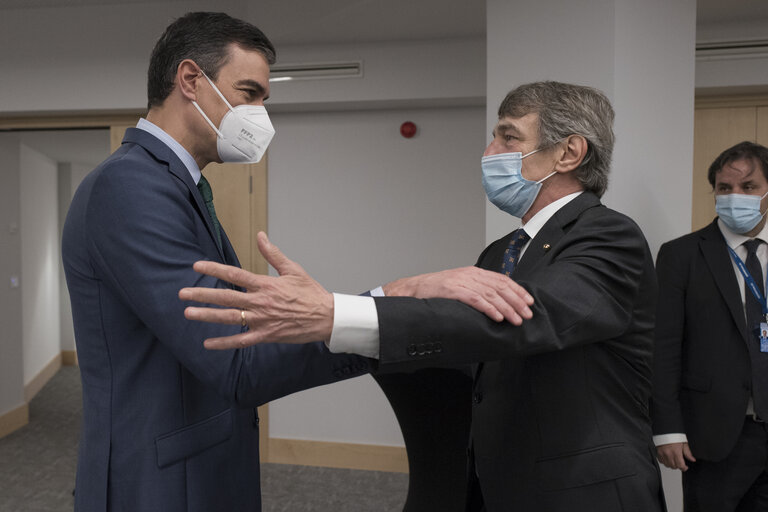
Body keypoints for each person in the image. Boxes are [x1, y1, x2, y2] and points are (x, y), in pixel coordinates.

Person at [180, 81, 666, 511]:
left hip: (583, 491)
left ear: (569, 153)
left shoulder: (608, 236)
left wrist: (340, 312)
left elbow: (523, 320)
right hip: (503, 482)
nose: (490, 150)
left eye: (509, 136)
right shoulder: (502, 249)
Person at [61, 12, 383, 512]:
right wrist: (383, 314)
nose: (259, 113)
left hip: (197, 468)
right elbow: (235, 359)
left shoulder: (175, 185)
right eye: (249, 93)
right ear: (191, 80)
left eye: (263, 100)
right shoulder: (129, 187)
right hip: (157, 486)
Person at [652, 141, 768, 511]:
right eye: (724, 188)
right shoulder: (681, 255)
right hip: (715, 433)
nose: (735, 196)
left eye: (748, 188)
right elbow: (662, 346)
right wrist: (667, 428)